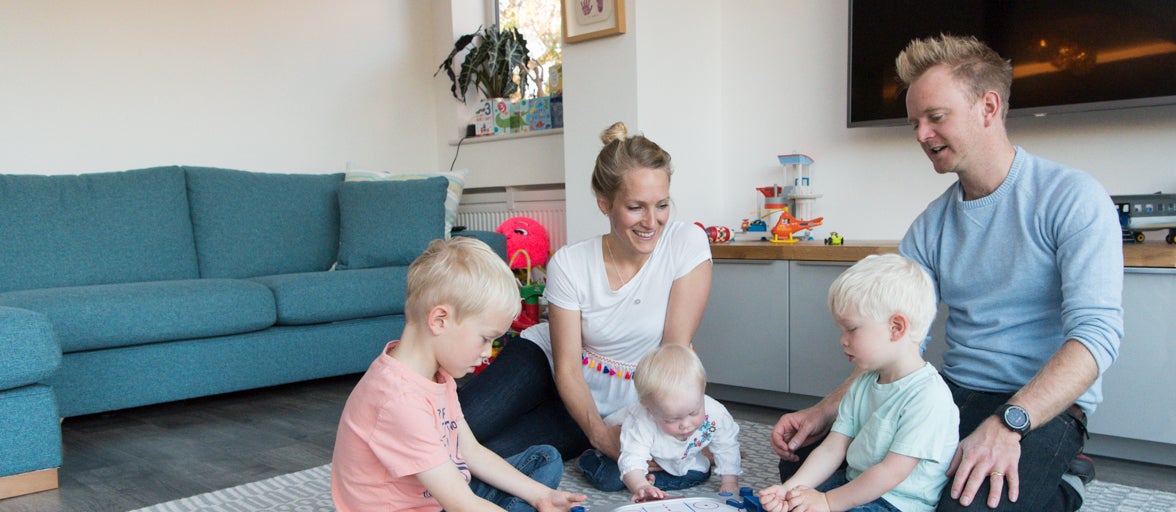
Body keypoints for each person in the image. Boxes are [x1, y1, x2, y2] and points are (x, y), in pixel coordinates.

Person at [771, 34, 1123, 512]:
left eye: (936, 118)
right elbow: (895, 337)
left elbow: (1096, 336)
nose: (921, 135)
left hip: (1036, 409)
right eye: (915, 122)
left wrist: (1009, 424)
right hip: (948, 394)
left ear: (988, 107)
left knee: (963, 505)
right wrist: (824, 411)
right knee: (803, 470)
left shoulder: (1073, 198)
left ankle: (1065, 478)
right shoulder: (931, 226)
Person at [458, 121, 713, 466]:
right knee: (458, 425)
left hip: (603, 402)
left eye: (662, 205)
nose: (652, 222)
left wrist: (658, 433)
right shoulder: (570, 263)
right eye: (636, 207)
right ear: (605, 204)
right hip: (549, 363)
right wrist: (599, 437)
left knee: (487, 455)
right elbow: (566, 368)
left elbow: (672, 358)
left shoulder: (687, 245)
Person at [330, 237, 588, 512]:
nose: (489, 352)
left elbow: (470, 451)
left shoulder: (435, 376)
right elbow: (461, 504)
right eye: (485, 338)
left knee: (544, 461)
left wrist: (540, 496)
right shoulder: (398, 400)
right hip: (439, 504)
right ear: (439, 320)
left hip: (444, 495)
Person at [760, 254, 958, 512]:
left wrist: (828, 502)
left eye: (851, 329)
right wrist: (789, 490)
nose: (842, 340)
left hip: (895, 503)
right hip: (855, 484)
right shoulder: (864, 383)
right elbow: (833, 448)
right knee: (798, 498)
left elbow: (891, 473)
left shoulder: (929, 396)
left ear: (896, 327)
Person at [577, 344, 741, 500]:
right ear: (648, 408)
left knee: (701, 471)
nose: (685, 424)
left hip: (673, 459)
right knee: (610, 479)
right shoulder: (640, 422)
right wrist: (640, 486)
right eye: (672, 419)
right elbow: (632, 458)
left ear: (702, 389)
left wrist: (730, 482)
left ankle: (652, 483)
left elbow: (727, 446)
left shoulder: (716, 413)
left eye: (693, 412)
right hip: (620, 452)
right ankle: (588, 460)